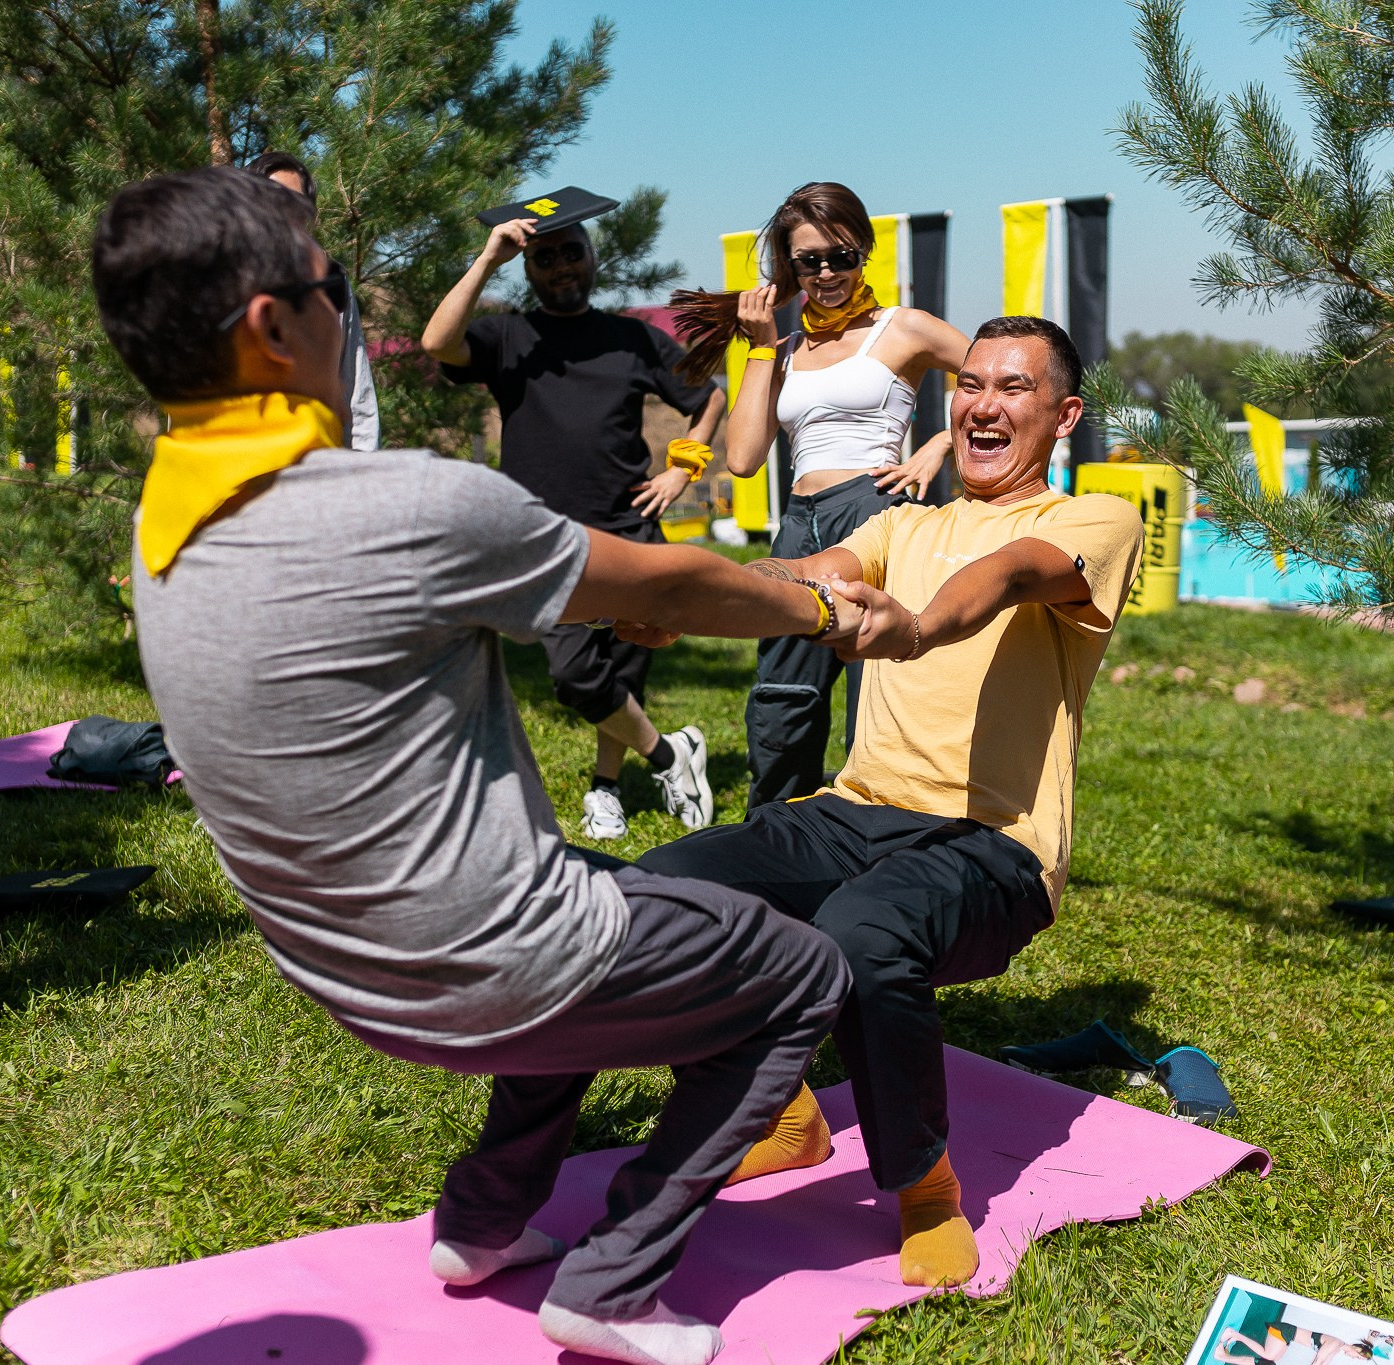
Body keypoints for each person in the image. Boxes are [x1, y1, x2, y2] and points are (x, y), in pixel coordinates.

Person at [93, 164, 860, 1365]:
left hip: (342, 979)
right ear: (269, 325)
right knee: (798, 975)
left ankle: (484, 1222)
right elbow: (665, 582)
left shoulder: (165, 524)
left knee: (608, 888)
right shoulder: (406, 506)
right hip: (486, 974)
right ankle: (613, 1278)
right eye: (326, 287)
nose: (342, 313)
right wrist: (826, 613)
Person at [640, 316, 1142, 1288]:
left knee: (859, 934)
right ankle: (781, 1113)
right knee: (666, 887)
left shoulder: (1094, 521)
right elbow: (797, 575)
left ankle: (923, 1189)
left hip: (994, 846)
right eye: (968, 385)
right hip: (856, 811)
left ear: (1062, 415)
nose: (981, 405)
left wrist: (915, 628)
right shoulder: (900, 523)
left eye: (1011, 388)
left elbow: (1007, 575)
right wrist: (685, 597)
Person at [422, 207, 724, 841]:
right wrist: (487, 259)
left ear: (592, 258)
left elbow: (708, 396)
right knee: (573, 675)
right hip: (548, 542)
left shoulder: (632, 337)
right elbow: (436, 343)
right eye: (546, 257)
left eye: (572, 253)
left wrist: (682, 470)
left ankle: (606, 789)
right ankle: (672, 756)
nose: (561, 266)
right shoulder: (509, 339)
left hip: (630, 529)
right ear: (529, 267)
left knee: (623, 668)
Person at [671, 182, 969, 808]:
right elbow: (745, 459)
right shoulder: (786, 348)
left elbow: (999, 383)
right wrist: (760, 347)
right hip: (799, 525)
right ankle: (773, 842)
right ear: (791, 265)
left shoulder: (903, 327)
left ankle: (877, 844)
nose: (828, 272)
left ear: (865, 250)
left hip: (876, 513)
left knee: (878, 701)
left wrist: (938, 445)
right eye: (811, 261)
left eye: (843, 255)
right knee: (782, 704)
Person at [246, 150, 380, 451]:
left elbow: (355, 386)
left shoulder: (330, 285)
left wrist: (361, 467)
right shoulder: (220, 286)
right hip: (242, 470)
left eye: (297, 205)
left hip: (320, 465)